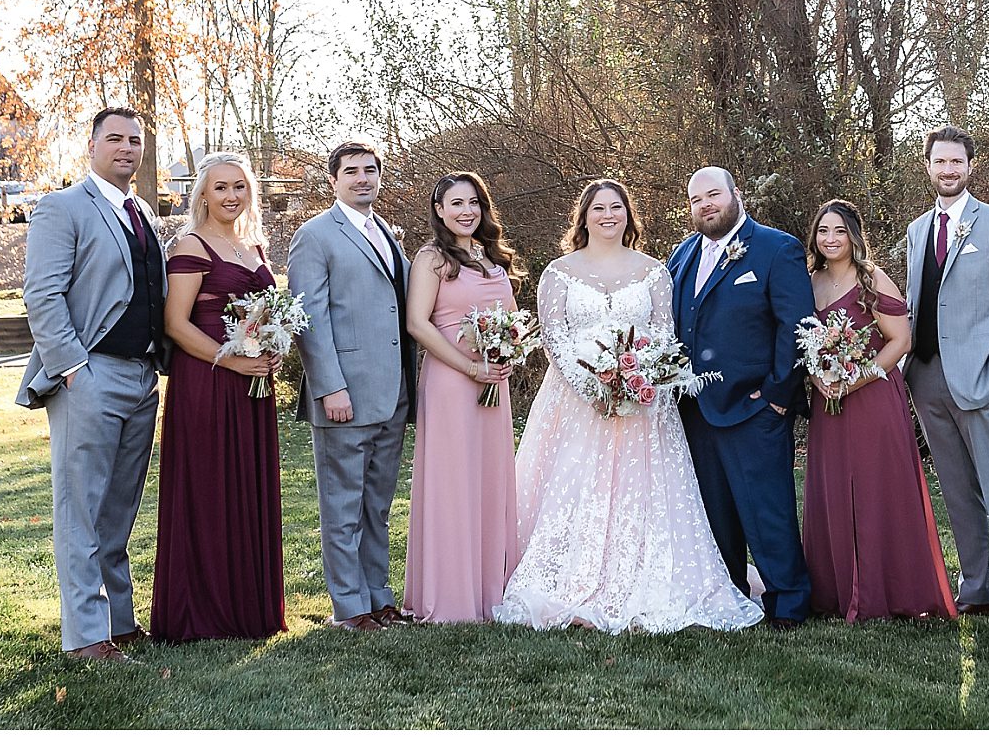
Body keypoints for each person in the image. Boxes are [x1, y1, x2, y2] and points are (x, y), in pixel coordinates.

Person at [495, 178, 762, 632]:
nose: (607, 216)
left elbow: (663, 333)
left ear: (627, 214)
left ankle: (648, 579)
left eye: (615, 207)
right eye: (597, 208)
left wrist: (638, 382)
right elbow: (555, 342)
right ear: (583, 217)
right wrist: (595, 389)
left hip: (644, 404)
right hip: (577, 405)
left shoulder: (654, 271)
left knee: (646, 492)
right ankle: (568, 581)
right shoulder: (559, 272)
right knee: (578, 489)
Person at [15, 107, 169, 663]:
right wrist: (72, 367)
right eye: (115, 139)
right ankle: (85, 637)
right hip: (89, 374)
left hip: (142, 376)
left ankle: (119, 623)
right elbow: (43, 295)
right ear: (92, 145)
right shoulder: (61, 208)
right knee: (80, 509)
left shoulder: (143, 212)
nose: (127, 148)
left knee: (118, 510)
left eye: (136, 140)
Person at [667, 167, 818, 628]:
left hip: (755, 408)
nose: (705, 204)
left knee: (767, 512)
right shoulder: (682, 255)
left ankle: (788, 604)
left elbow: (797, 327)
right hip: (695, 409)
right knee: (714, 514)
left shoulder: (776, 248)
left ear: (737, 193)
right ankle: (728, 596)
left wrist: (775, 396)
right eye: (696, 199)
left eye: (713, 194)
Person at [901, 125, 989, 631]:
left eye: (957, 162)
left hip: (979, 379)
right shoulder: (918, 231)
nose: (949, 170)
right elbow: (916, 306)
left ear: (970, 166)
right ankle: (975, 588)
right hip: (927, 379)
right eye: (940, 162)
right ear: (929, 166)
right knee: (956, 490)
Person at [799, 198, 956, 622]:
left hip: (872, 397)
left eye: (839, 231)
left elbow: (900, 340)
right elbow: (801, 342)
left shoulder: (871, 279)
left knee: (876, 489)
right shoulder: (807, 281)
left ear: (853, 235)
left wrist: (854, 380)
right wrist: (819, 378)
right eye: (823, 231)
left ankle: (892, 590)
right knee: (831, 489)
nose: (831, 239)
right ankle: (833, 591)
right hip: (827, 401)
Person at [150, 152, 287, 642]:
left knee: (247, 486)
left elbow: (268, 313)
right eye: (221, 188)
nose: (231, 196)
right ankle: (202, 611)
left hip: (253, 385)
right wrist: (232, 360)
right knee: (208, 487)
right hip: (207, 381)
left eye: (240, 187)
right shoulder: (191, 244)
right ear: (202, 195)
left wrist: (272, 347)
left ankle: (249, 608)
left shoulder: (255, 247)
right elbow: (175, 323)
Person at [288, 140, 417, 632]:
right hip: (345, 392)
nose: (362, 179)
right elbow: (310, 317)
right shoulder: (315, 235)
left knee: (377, 504)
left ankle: (380, 596)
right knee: (343, 506)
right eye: (352, 172)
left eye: (370, 171)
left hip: (393, 391)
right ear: (334, 180)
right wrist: (328, 387)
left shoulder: (387, 232)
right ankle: (350, 607)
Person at [402, 171, 523, 623]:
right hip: (453, 382)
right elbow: (418, 324)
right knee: (454, 483)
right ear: (439, 210)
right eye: (455, 204)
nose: (466, 211)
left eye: (473, 202)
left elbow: (512, 319)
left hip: (495, 383)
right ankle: (452, 594)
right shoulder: (432, 258)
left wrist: (507, 350)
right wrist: (471, 365)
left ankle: (493, 585)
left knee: (491, 479)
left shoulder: (492, 257)